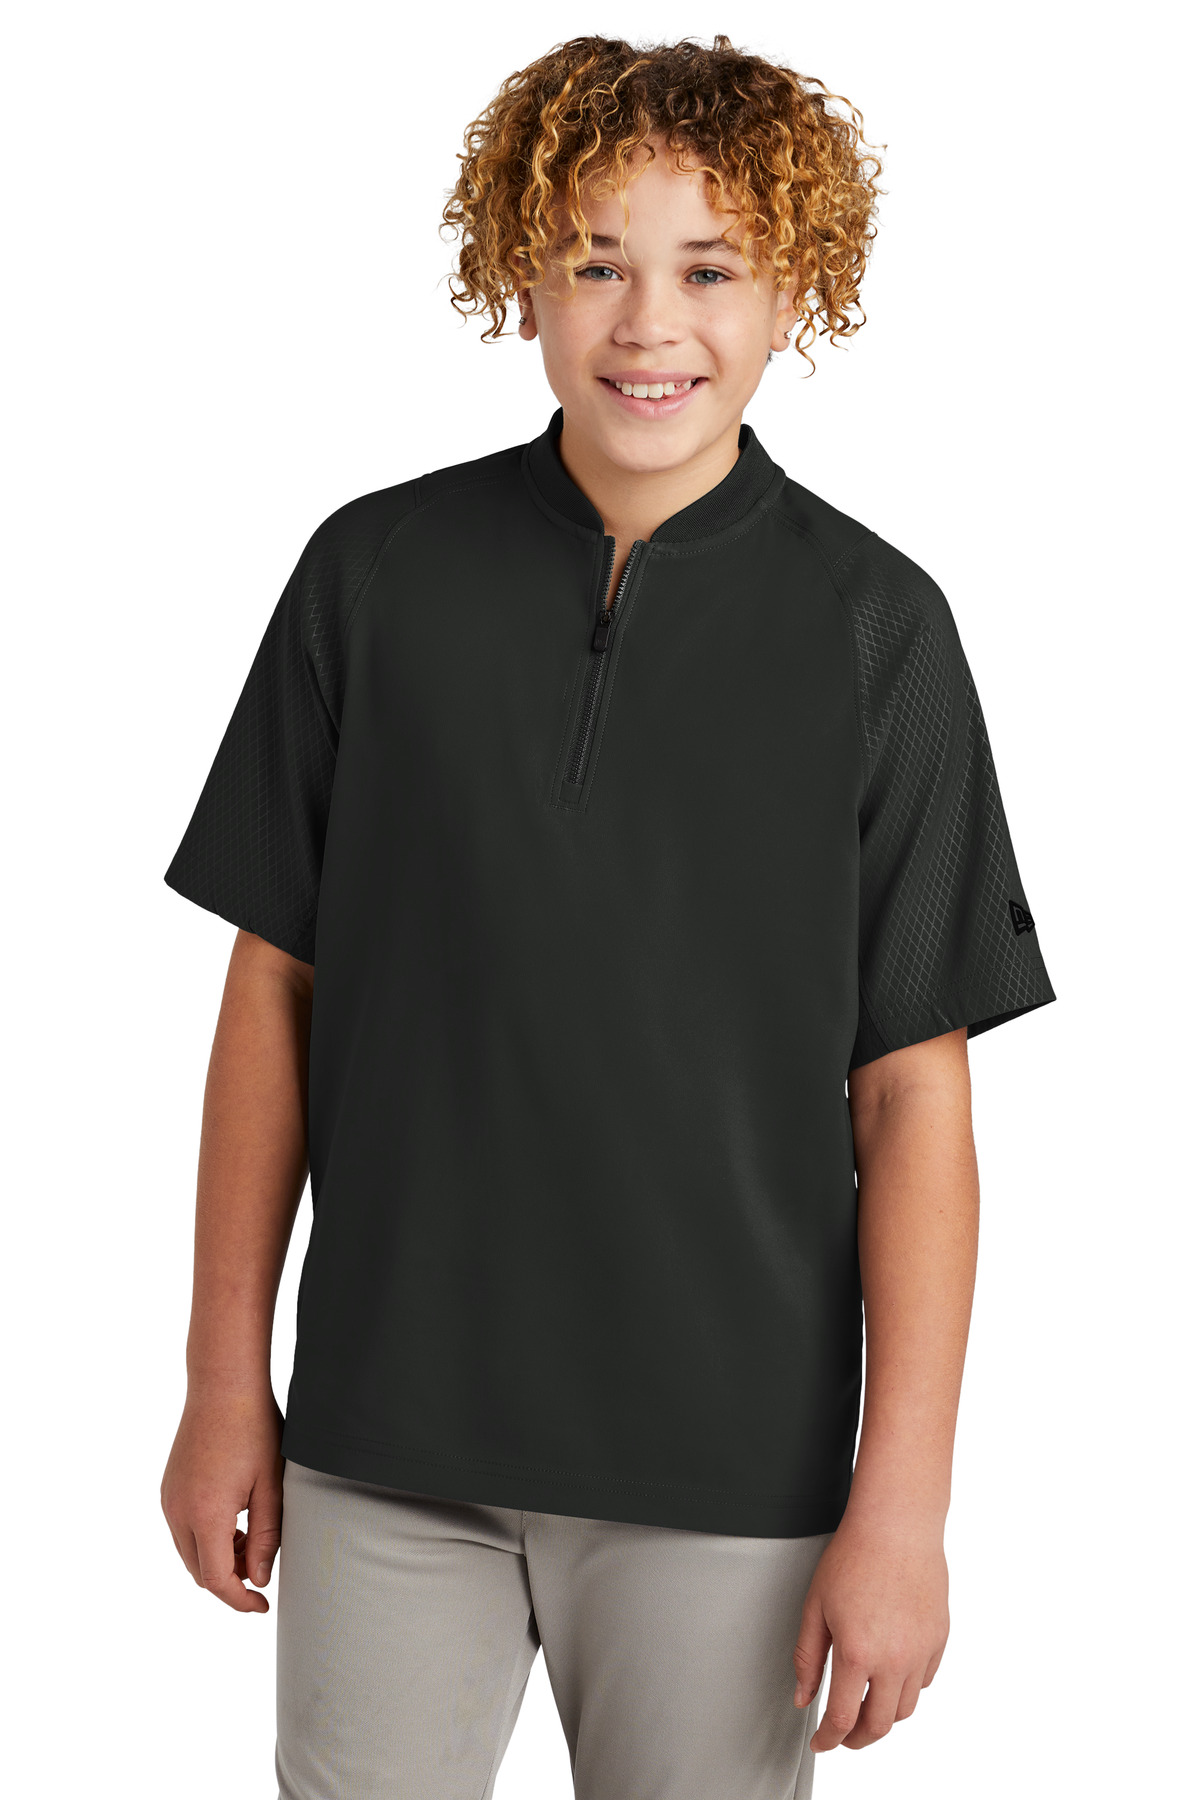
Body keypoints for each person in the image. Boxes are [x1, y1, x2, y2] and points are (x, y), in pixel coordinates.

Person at [159, 33, 1056, 1800]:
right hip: (386, 1439)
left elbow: (913, 1096)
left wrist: (904, 1505)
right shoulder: (372, 575)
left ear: (797, 288)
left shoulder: (877, 631)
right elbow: (275, 992)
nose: (651, 325)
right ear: (521, 279)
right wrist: (220, 1382)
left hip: (726, 1472)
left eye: (710, 270)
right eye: (594, 264)